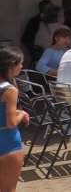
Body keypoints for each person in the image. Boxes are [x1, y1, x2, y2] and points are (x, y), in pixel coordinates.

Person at [0, 47, 28, 192]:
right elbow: (11, 122)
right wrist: (21, 114)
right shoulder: (10, 90)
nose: (21, 66)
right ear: (11, 66)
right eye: (20, 63)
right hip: (8, 144)